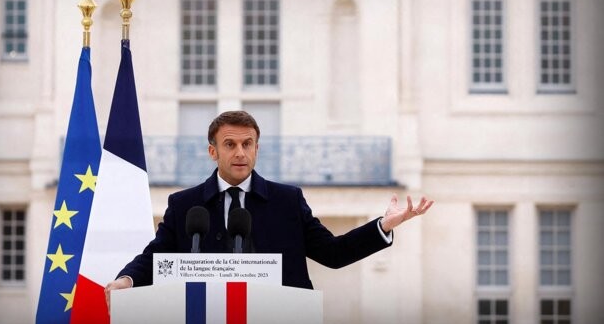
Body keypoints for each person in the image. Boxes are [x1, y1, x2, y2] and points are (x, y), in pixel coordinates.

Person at [105, 110, 433, 299]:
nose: (240, 153)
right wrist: (126, 281)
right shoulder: (186, 205)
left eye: (248, 144)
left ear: (257, 148)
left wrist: (383, 226)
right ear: (213, 151)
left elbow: (333, 253)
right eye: (230, 144)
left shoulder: (287, 202)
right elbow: (155, 256)